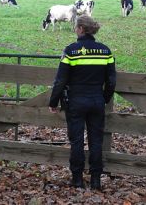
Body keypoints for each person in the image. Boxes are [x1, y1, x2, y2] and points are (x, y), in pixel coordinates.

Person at [48, 15, 116, 190]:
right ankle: (95, 181)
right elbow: (111, 81)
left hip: (76, 101)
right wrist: (104, 98)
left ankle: (77, 179)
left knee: (77, 141)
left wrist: (53, 101)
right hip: (96, 101)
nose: (74, 30)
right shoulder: (105, 51)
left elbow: (60, 80)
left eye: (75, 27)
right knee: (96, 141)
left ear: (80, 29)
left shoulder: (71, 50)